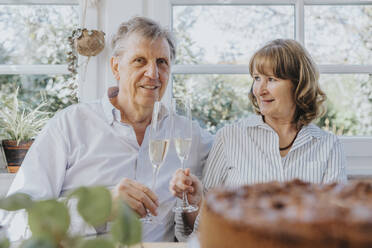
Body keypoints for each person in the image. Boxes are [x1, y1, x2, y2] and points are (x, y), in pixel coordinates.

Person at [6, 17, 213, 242]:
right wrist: (98, 209)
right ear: (116, 67)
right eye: (139, 60)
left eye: (161, 62)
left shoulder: (189, 134)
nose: (152, 73)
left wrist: (196, 205)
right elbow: (15, 219)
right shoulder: (70, 124)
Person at [170, 39, 347, 241]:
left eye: (271, 79)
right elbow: (205, 229)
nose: (260, 89)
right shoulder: (229, 138)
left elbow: (336, 225)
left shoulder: (328, 146)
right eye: (256, 78)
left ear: (299, 85)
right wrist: (195, 201)